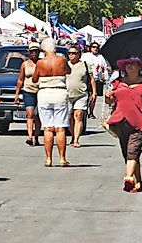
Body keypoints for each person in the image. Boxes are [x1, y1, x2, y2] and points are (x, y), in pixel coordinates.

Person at [105, 57, 142, 192]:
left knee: (133, 151)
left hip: (139, 123)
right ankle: (139, 182)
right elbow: (110, 102)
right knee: (129, 154)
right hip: (121, 121)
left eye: (133, 64)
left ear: (140, 67)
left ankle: (129, 178)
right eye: (127, 64)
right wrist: (108, 96)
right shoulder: (118, 82)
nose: (129, 66)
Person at [32, 38, 70, 167]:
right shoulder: (62, 60)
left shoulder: (40, 63)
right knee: (60, 128)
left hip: (45, 93)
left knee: (48, 127)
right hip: (60, 92)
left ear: (43, 50)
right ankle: (62, 158)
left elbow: (34, 79)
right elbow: (68, 71)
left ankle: (48, 159)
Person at [66, 45, 95, 147]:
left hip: (81, 94)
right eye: (69, 53)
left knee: (78, 116)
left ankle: (76, 140)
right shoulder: (65, 64)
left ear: (79, 54)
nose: (71, 55)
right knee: (69, 118)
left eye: (74, 53)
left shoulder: (85, 65)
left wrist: (94, 92)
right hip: (67, 95)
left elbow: (91, 79)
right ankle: (73, 135)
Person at [14, 41, 42, 146]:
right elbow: (20, 79)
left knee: (37, 116)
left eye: (36, 51)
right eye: (32, 51)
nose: (34, 53)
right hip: (28, 91)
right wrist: (17, 94)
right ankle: (30, 136)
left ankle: (37, 137)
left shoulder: (42, 63)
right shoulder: (25, 64)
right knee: (30, 114)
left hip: (40, 91)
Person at [83, 42, 109, 119]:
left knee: (94, 96)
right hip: (87, 78)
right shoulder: (86, 56)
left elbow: (104, 68)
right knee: (88, 95)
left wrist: (104, 76)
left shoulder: (100, 57)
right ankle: (85, 110)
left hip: (97, 79)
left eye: (97, 47)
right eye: (93, 47)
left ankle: (91, 112)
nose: (95, 48)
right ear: (90, 48)